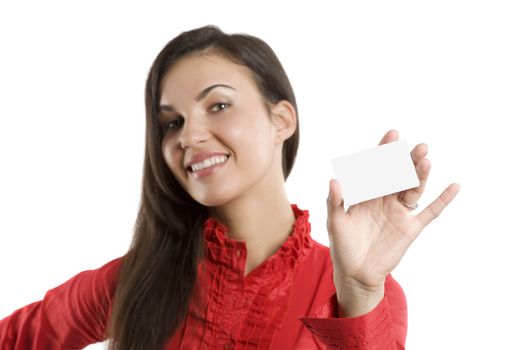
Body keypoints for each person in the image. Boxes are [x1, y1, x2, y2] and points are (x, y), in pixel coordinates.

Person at [0, 25, 460, 349]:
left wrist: (359, 292)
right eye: (172, 122)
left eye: (218, 105)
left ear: (282, 119)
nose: (188, 136)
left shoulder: (366, 294)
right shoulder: (135, 281)